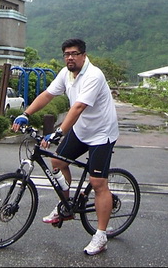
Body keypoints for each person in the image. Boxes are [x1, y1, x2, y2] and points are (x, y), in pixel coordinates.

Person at [12, 38, 119, 256]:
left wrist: (59, 131)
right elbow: (48, 95)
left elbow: (78, 106)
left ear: (84, 55)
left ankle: (100, 236)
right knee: (57, 161)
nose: (70, 57)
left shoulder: (94, 75)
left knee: (98, 183)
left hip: (102, 133)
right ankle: (66, 206)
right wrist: (26, 114)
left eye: (74, 53)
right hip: (82, 130)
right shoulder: (66, 73)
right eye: (66, 54)